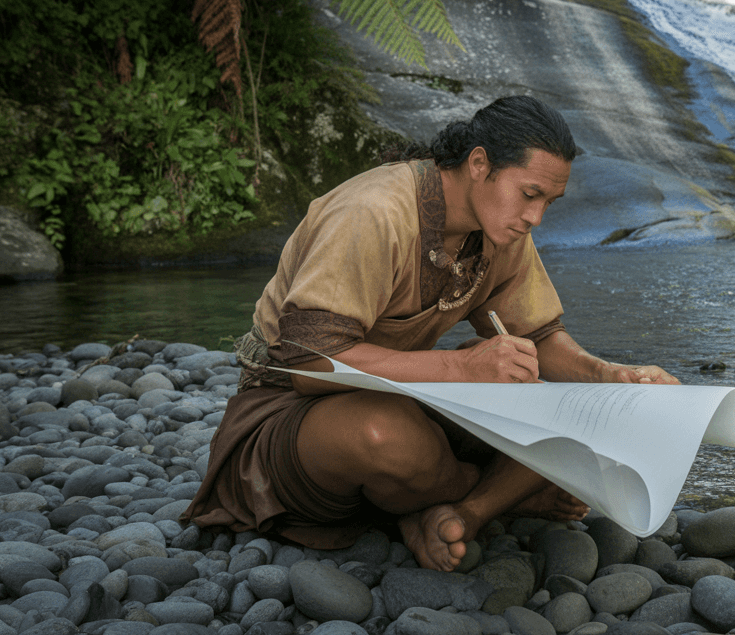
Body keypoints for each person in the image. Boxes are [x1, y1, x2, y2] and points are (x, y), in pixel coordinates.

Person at [183, 95, 678, 571]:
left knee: (554, 406)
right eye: (530, 194)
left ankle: (463, 514)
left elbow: (541, 337)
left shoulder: (501, 227)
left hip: (402, 395)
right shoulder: (373, 211)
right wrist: (463, 367)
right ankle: (498, 498)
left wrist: (612, 377)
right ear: (479, 164)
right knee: (387, 436)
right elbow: (311, 366)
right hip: (290, 411)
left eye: (549, 201)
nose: (536, 218)